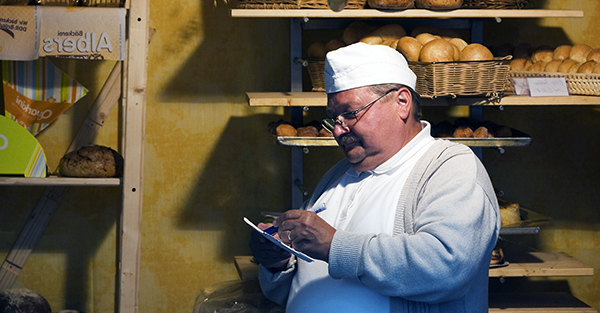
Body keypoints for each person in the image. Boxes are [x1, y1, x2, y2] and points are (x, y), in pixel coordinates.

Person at [249, 42, 500, 313]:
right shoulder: (337, 175)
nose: (337, 130)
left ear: (401, 103)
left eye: (350, 113)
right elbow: (299, 284)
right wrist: (278, 262)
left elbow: (447, 267)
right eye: (333, 118)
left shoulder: (449, 166)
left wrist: (335, 245)